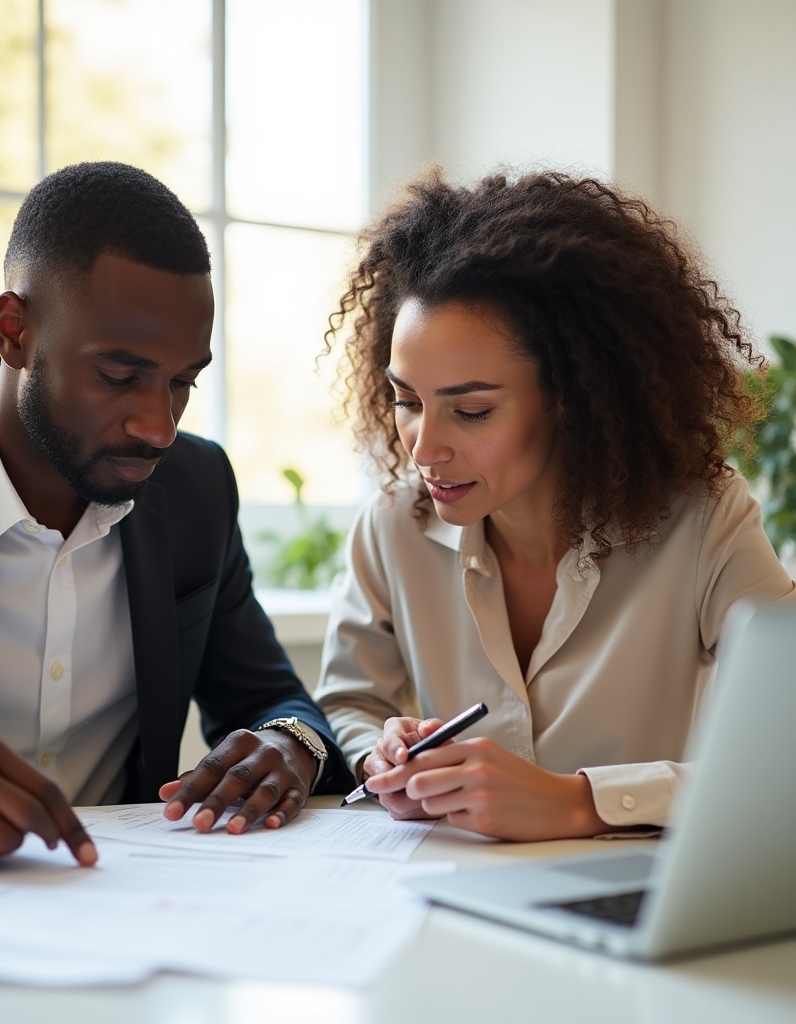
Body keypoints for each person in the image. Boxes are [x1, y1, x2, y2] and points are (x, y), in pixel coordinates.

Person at [0, 161, 352, 870]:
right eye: (118, 377)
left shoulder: (196, 488)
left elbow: (273, 700)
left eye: (182, 383)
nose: (159, 426)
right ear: (14, 331)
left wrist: (290, 743)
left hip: (130, 910)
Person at [314, 170, 793, 840]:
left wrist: (581, 801)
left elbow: (784, 753)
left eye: (471, 410)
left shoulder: (703, 520)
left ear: (571, 395)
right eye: (407, 401)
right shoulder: (393, 527)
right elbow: (349, 700)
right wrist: (382, 752)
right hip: (451, 889)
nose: (425, 449)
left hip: (630, 902)